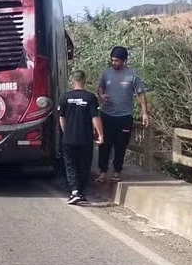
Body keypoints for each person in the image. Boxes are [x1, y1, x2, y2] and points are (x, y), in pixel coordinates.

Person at [96, 46, 150, 182]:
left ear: (124, 61)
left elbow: (141, 94)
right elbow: (100, 88)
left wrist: (145, 113)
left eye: (117, 61)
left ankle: (117, 171)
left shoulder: (133, 75)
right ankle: (102, 172)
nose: (114, 63)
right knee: (104, 145)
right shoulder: (106, 73)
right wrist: (102, 95)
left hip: (124, 116)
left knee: (121, 145)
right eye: (112, 60)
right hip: (107, 114)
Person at [58, 70, 104, 204]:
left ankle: (75, 191)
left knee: (70, 165)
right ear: (85, 81)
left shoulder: (65, 97)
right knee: (84, 165)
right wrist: (100, 135)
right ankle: (80, 191)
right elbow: (95, 117)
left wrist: (66, 132)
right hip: (85, 138)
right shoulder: (90, 97)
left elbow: (62, 118)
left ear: (72, 82)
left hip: (69, 138)